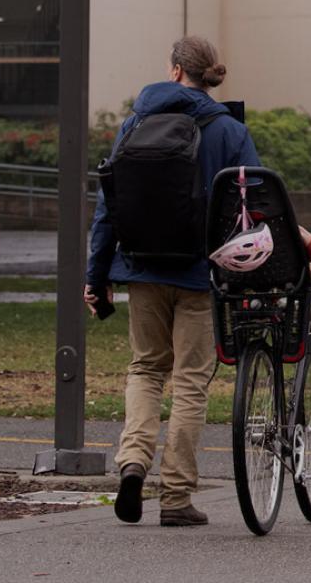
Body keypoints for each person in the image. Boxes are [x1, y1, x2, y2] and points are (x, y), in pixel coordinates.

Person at [85, 36, 261, 527]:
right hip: (202, 275)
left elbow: (108, 207)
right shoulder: (228, 129)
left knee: (145, 369)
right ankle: (177, 497)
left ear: (175, 70)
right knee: (189, 383)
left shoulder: (134, 123)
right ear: (207, 74)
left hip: (141, 269)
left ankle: (133, 463)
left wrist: (96, 276)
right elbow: (256, 202)